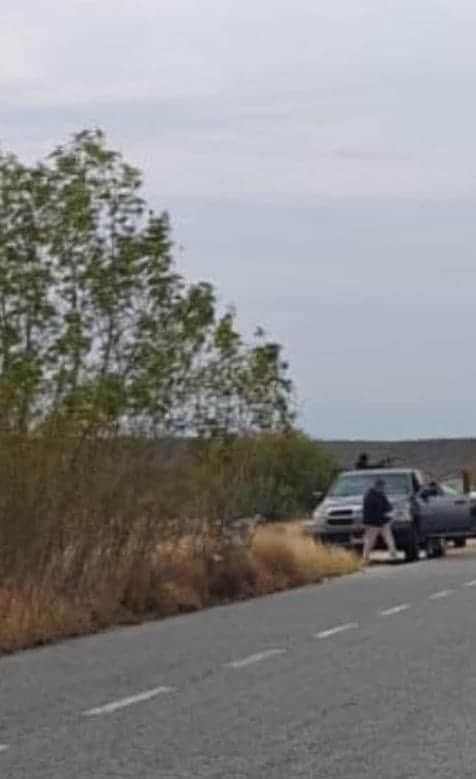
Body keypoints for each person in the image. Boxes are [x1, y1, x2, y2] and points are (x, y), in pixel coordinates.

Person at [361, 477, 398, 565]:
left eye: (382, 486)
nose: (381, 488)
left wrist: (390, 513)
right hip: (373, 523)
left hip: (383, 521)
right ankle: (365, 558)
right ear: (375, 486)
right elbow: (369, 512)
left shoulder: (381, 495)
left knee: (389, 538)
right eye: (380, 486)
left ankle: (393, 554)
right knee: (370, 541)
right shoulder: (369, 496)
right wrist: (384, 515)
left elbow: (388, 506)